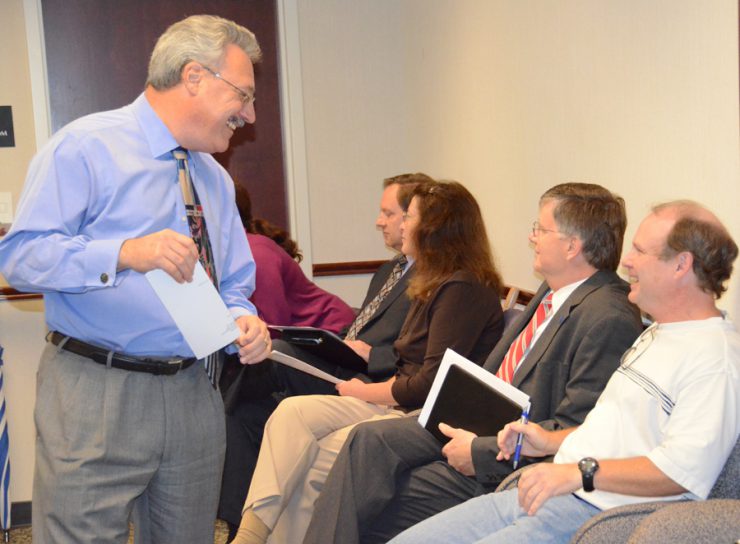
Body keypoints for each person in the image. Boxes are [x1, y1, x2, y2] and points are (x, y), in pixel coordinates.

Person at [0, 15, 271, 544]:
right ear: (194, 76)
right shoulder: (84, 147)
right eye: (243, 94)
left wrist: (244, 319)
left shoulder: (215, 179)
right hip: (96, 390)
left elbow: (234, 283)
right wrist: (124, 253)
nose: (250, 114)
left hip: (195, 391)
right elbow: (22, 258)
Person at [304, 182, 644, 544]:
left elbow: (576, 429)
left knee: (370, 496)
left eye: (541, 230)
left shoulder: (608, 316)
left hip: (507, 455)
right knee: (367, 442)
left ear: (572, 246)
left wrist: (478, 451)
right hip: (476, 421)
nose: (532, 238)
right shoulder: (553, 290)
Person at [389, 200, 740, 544]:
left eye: (640, 251)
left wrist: (577, 472)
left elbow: (679, 472)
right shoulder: (659, 333)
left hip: (595, 512)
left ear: (681, 264)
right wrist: (548, 440)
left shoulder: (716, 360)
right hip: (550, 490)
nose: (626, 261)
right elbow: (616, 431)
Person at [231, 181, 507, 544]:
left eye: (409, 217)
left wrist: (363, 391)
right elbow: (406, 365)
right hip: (394, 401)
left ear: (434, 229)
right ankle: (250, 535)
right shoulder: (433, 283)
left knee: (319, 454)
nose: (401, 225)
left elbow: (428, 384)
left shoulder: (462, 289)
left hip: (418, 414)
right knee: (290, 413)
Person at [217, 173, 431, 537]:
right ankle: (243, 527)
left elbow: (419, 355)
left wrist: (372, 355)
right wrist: (344, 345)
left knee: (271, 354)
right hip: (342, 357)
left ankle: (214, 413)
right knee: (241, 415)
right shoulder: (389, 271)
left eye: (390, 213)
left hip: (370, 378)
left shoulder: (434, 280)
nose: (379, 221)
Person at [233, 182, 355, 333]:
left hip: (332, 331)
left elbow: (274, 327)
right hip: (301, 335)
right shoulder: (235, 253)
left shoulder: (256, 253)